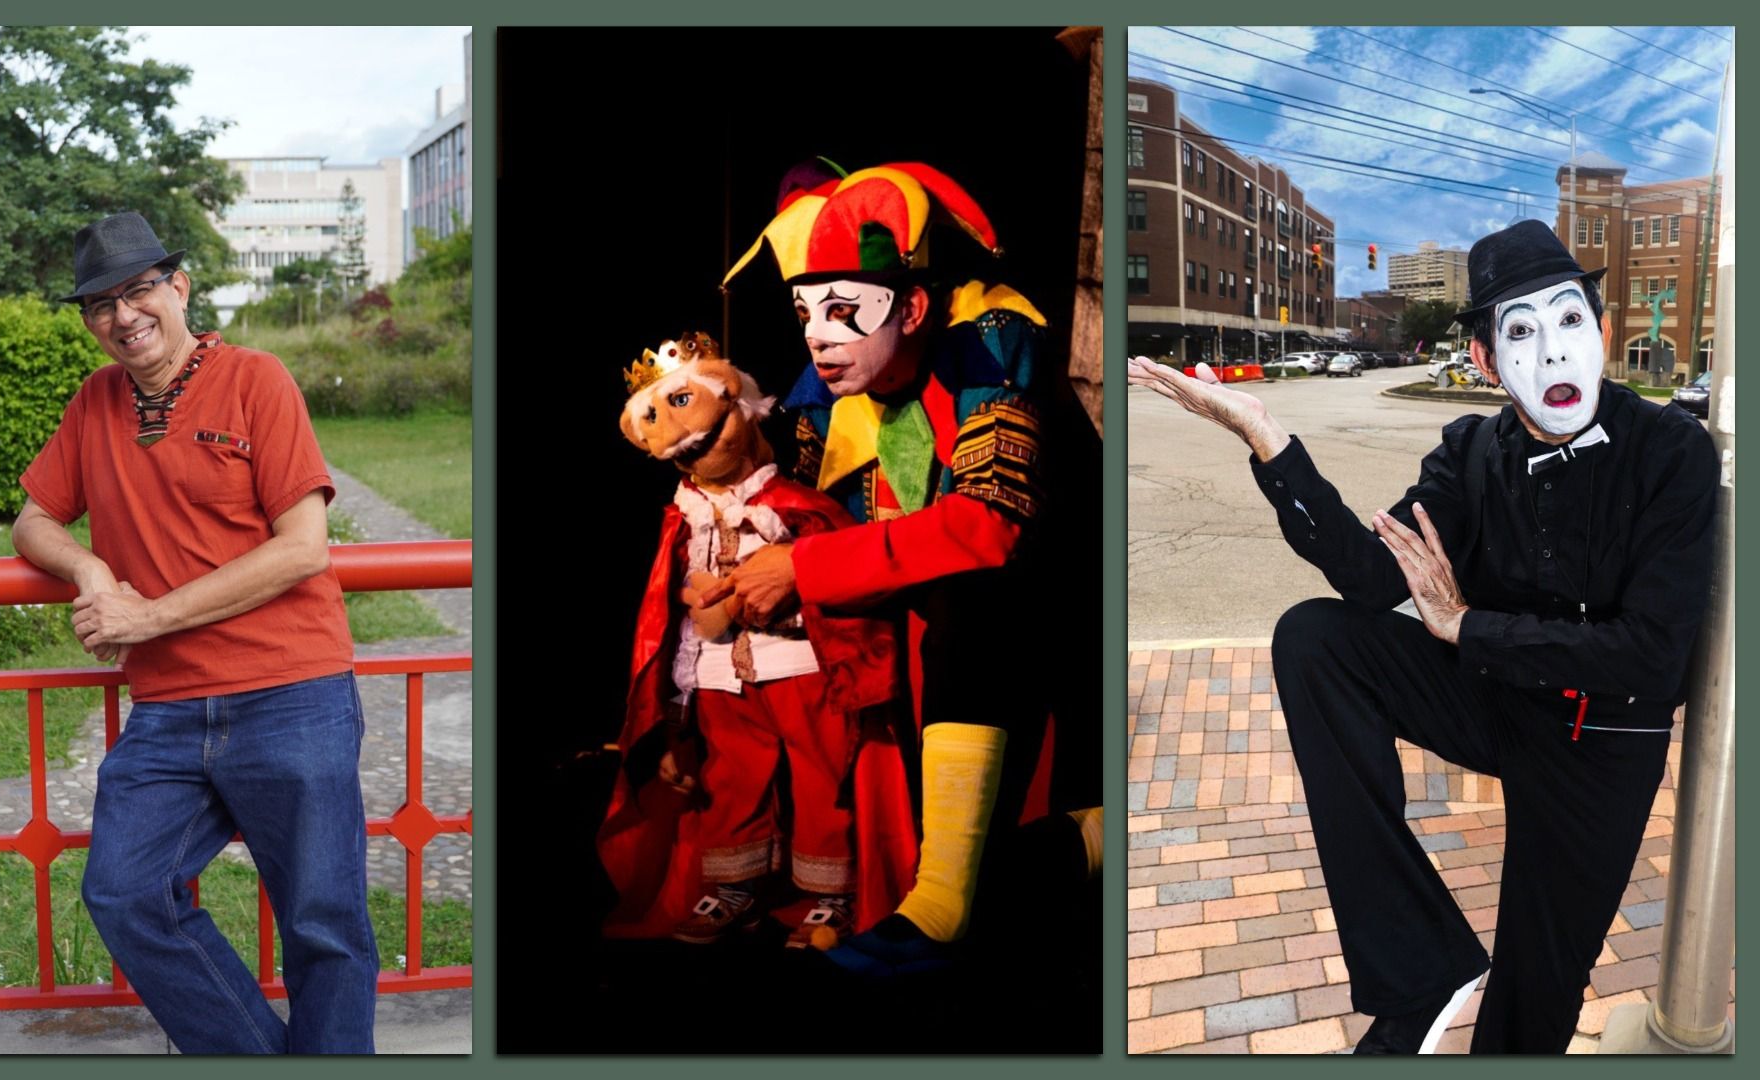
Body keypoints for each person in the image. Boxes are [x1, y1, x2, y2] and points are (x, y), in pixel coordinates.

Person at [1127, 219, 1716, 1053]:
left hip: (1602, 743)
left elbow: (1653, 658)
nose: (1553, 350)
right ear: (1485, 359)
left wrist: (1469, 625)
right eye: (1521, 332)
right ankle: (1417, 970)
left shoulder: (1671, 451)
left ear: (1603, 328)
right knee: (1316, 640)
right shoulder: (1472, 451)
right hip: (1496, 704)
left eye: (1569, 319)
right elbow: (1375, 579)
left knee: (1535, 991)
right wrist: (1268, 441)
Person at [715, 160, 1104, 976]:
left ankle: (944, 906)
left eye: (843, 311)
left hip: (1041, 620)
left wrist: (805, 565)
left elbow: (990, 527)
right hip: (899, 615)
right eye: (804, 312)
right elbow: (803, 503)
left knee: (970, 610)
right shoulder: (827, 377)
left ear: (914, 307)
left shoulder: (990, 336)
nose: (818, 335)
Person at [12, 212, 377, 1053]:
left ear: (178, 288)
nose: (123, 316)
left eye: (138, 290)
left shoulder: (256, 379)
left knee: (323, 924)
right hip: (170, 710)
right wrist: (91, 571)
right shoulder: (96, 401)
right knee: (124, 893)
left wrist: (146, 616)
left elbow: (303, 548)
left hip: (292, 692)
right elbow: (34, 519)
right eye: (100, 304)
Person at [596, 333, 917, 949]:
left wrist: (783, 592)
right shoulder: (683, 514)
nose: (690, 447)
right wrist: (679, 687)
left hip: (798, 663)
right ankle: (735, 888)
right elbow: (669, 607)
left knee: (824, 778)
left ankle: (832, 895)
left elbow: (836, 575)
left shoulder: (794, 504)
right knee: (729, 779)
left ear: (734, 403)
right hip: (720, 672)